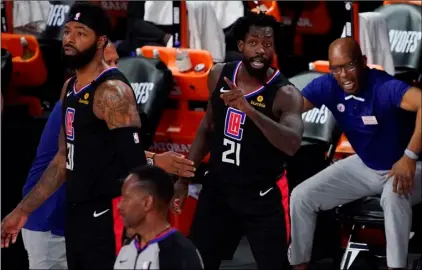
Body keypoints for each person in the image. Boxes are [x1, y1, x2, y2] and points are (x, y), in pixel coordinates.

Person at [1, 3, 192, 270]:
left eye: (81, 33)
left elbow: (134, 166)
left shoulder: (112, 91)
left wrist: (139, 226)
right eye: (67, 31)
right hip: (76, 213)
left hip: (107, 216)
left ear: (101, 41)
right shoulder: (70, 87)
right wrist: (21, 211)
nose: (69, 39)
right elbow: (61, 161)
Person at [172, 13, 304, 270]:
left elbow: (292, 144)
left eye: (267, 44)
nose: (261, 50)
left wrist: (250, 110)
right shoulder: (220, 75)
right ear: (241, 45)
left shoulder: (285, 94)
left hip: (261, 194)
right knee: (197, 262)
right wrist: (183, 178)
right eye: (254, 42)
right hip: (219, 189)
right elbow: (207, 128)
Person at [289, 37, 422, 270]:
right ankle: (299, 265)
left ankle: (396, 267)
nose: (344, 75)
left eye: (349, 66)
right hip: (366, 166)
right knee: (302, 196)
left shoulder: (383, 87)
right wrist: (255, 103)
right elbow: (290, 107)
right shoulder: (328, 85)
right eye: (336, 69)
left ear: (363, 62)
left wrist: (409, 156)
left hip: (410, 167)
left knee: (393, 196)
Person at [115, 165, 203, 270]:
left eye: (127, 198)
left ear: (147, 203)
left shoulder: (182, 252)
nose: (119, 205)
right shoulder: (127, 249)